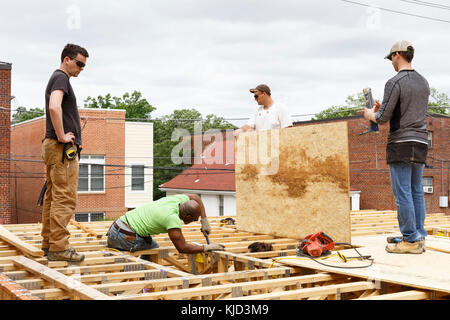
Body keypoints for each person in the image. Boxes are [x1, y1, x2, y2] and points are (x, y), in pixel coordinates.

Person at [363, 40, 430, 254]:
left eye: (391, 58)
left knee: (402, 193)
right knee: (416, 190)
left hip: (400, 143)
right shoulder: (423, 81)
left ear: (397, 55)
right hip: (420, 141)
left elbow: (381, 119)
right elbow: (405, 112)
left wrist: (369, 114)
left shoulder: (395, 81)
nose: (391, 62)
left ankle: (410, 241)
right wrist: (385, 109)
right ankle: (418, 235)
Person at [41, 43, 89, 262]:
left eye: (84, 65)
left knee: (53, 197)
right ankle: (59, 248)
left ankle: (49, 244)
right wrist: (62, 135)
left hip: (53, 147)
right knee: (65, 198)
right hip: (60, 148)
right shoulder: (61, 77)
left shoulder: (57, 78)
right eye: (79, 63)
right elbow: (54, 106)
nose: (81, 68)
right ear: (67, 59)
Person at [107, 194, 225, 257]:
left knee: (150, 243)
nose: (195, 220)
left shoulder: (178, 200)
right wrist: (206, 247)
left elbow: (196, 197)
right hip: (123, 237)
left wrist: (204, 220)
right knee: (155, 250)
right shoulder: (172, 219)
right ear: (188, 217)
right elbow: (182, 248)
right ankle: (143, 277)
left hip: (116, 227)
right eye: (195, 219)